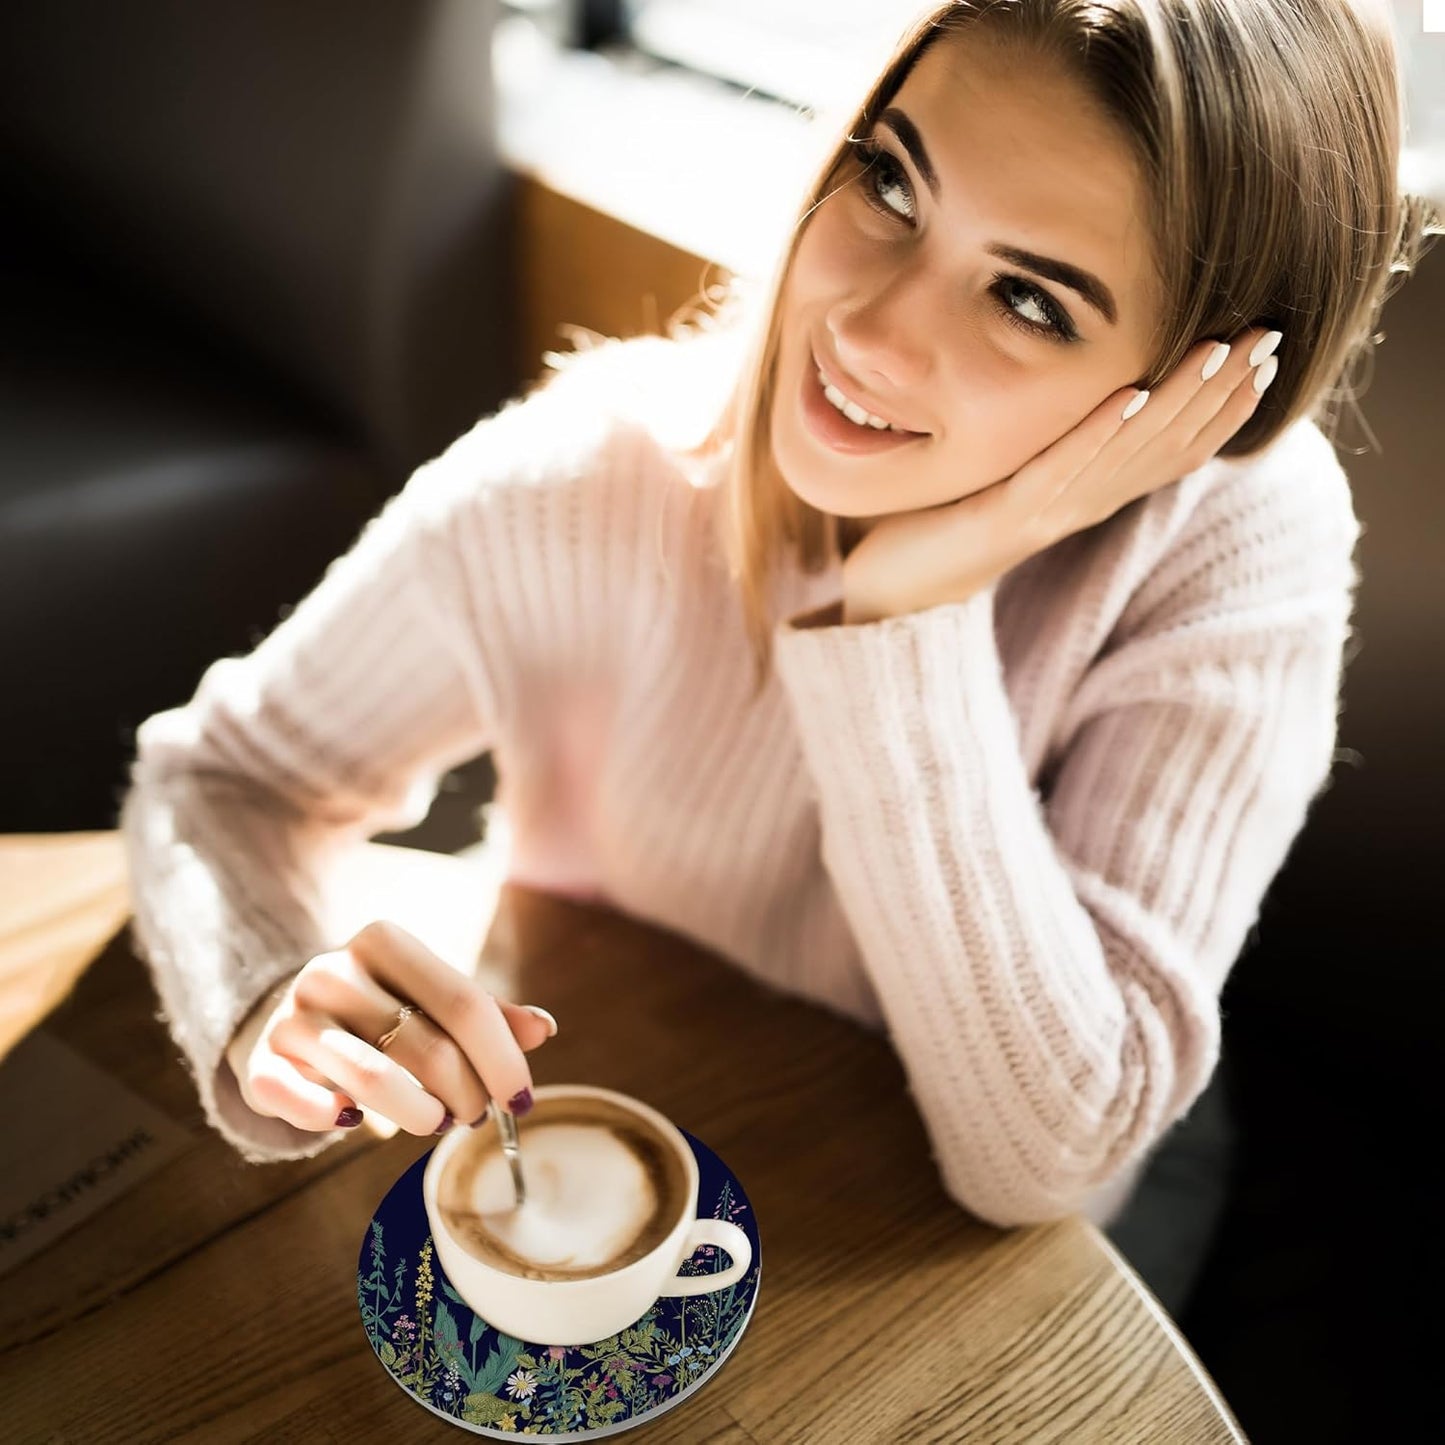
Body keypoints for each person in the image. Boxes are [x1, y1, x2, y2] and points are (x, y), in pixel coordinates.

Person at [121, 0, 1435, 1236]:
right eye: (891, 182)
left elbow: (1048, 1157)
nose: (867, 331)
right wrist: (267, 991)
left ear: (1193, 399)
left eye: (1027, 298)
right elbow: (222, 775)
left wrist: (902, 617)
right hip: (641, 1091)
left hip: (1010, 1238)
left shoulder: (1236, 538)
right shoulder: (593, 476)